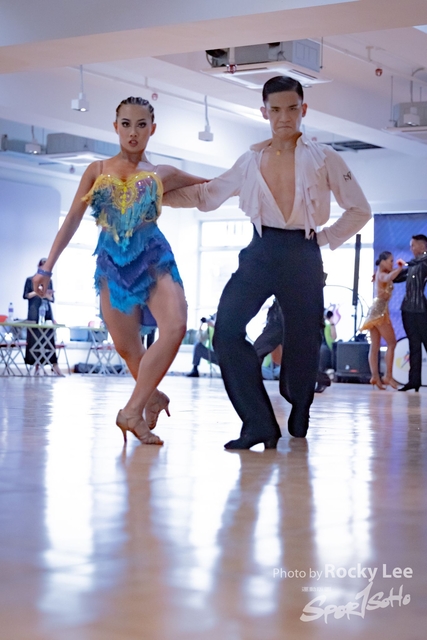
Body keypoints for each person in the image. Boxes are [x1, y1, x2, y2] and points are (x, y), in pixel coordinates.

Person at [164, 76, 372, 449]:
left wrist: (323, 239)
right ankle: (258, 422)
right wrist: (153, 197)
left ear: (303, 110)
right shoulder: (250, 160)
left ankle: (300, 400)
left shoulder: (325, 157)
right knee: (226, 332)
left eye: (292, 109)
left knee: (304, 340)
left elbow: (359, 209)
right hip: (260, 251)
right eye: (276, 110)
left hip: (303, 253)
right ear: (264, 112)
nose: (284, 117)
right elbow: (206, 196)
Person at [33, 96, 206, 445]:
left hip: (153, 256)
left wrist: (255, 179)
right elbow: (72, 219)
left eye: (141, 125)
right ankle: (151, 399)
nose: (133, 132)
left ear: (152, 129)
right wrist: (47, 268)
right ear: (115, 127)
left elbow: (211, 187)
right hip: (111, 263)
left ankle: (131, 411)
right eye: (126, 124)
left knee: (176, 326)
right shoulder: (96, 170)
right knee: (128, 349)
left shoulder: (163, 173)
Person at [360, 251, 405, 389]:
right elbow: (388, 277)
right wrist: (400, 268)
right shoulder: (381, 274)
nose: (392, 263)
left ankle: (375, 376)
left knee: (375, 345)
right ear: (383, 261)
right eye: (390, 261)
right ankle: (388, 376)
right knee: (391, 343)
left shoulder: (379, 272)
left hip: (376, 310)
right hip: (380, 312)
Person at [393, 234, 427, 392]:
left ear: (422, 246)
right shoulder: (413, 264)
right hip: (407, 309)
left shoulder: (423, 262)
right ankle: (414, 381)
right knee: (413, 345)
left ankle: (415, 381)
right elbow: (398, 277)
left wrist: (405, 263)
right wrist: (386, 274)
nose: (411, 248)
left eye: (413, 245)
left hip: (421, 310)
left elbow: (415, 262)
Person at [23, 258, 64, 376]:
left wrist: (47, 295)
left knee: (48, 341)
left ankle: (54, 365)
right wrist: (37, 291)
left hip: (46, 313)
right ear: (39, 266)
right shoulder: (30, 280)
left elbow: (51, 299)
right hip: (34, 313)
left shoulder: (49, 281)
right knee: (34, 340)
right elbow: (26, 295)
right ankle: (36, 366)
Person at [319, 306, 341, 374]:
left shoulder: (327, 326)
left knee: (323, 350)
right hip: (317, 346)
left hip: (325, 347)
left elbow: (334, 337)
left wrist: (331, 322)